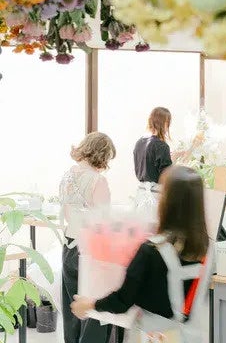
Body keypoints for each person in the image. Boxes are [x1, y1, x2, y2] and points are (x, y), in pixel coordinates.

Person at [71, 166, 212, 343]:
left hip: (152, 336)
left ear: (167, 202)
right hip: (190, 337)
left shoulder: (151, 251)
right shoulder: (208, 249)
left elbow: (122, 301)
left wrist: (89, 304)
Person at [60, 132, 116, 343]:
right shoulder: (97, 181)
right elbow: (103, 221)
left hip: (69, 244)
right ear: (102, 154)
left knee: (73, 308)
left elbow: (68, 213)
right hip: (91, 249)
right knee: (94, 311)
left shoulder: (67, 176)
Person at [133, 107, 173, 215]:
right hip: (156, 196)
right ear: (164, 123)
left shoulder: (139, 143)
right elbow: (166, 176)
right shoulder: (162, 146)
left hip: (140, 195)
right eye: (168, 123)